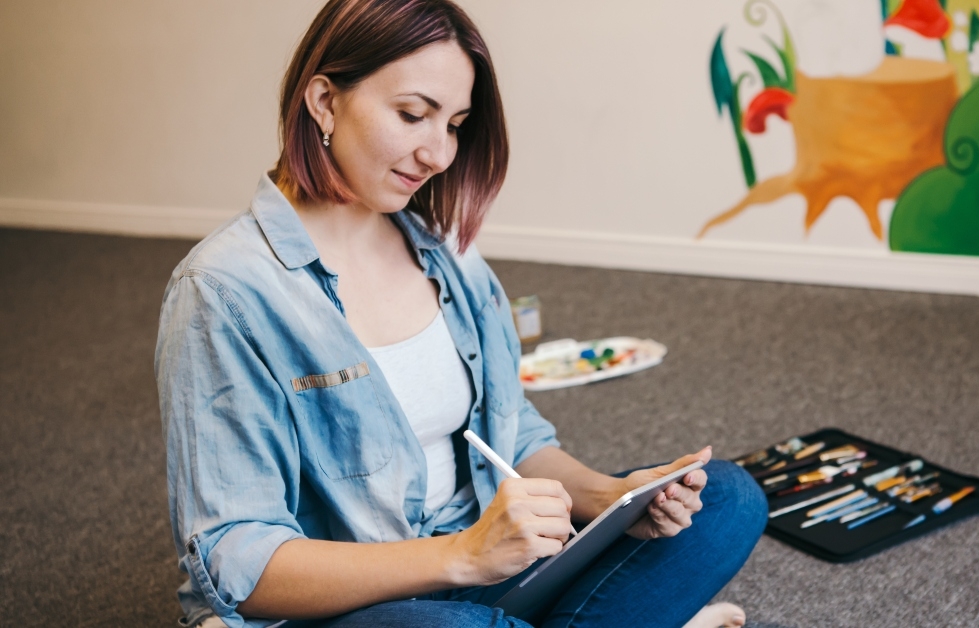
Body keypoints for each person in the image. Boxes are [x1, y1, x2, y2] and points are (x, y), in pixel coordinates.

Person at [154, 1, 767, 626]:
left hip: (488, 563)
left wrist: (612, 501)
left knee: (729, 499)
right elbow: (238, 563)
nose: (439, 154)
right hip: (360, 603)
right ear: (324, 102)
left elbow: (512, 434)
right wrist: (461, 555)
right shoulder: (223, 291)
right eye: (413, 115)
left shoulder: (446, 251)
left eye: (454, 124)